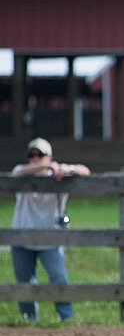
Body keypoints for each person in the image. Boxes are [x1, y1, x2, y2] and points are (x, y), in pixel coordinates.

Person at [11, 137, 90, 322]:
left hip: (51, 239)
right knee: (25, 284)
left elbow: (85, 171)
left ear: (50, 156)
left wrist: (65, 169)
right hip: (22, 238)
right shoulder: (21, 172)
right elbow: (18, 172)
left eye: (40, 154)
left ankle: (66, 318)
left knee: (59, 279)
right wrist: (46, 167)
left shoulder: (58, 171)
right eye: (31, 154)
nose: (35, 158)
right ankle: (27, 320)